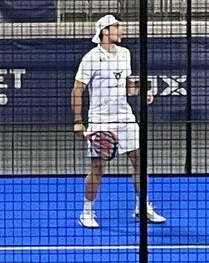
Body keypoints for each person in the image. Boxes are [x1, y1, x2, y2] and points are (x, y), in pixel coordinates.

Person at [71, 14, 166, 228]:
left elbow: (127, 83)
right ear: (104, 31)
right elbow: (77, 89)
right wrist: (78, 120)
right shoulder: (91, 58)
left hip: (125, 119)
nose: (120, 31)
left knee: (140, 162)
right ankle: (86, 212)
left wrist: (140, 93)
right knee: (98, 168)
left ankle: (142, 206)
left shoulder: (125, 54)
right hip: (100, 121)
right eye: (116, 27)